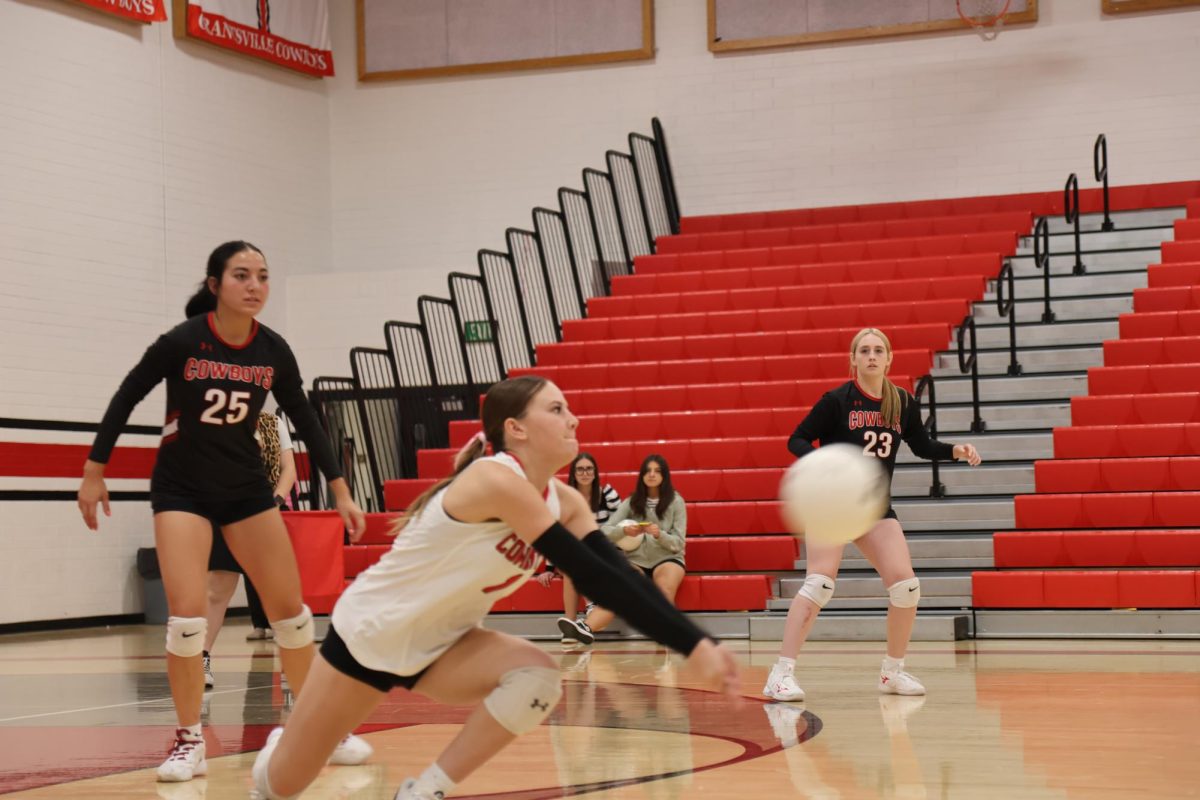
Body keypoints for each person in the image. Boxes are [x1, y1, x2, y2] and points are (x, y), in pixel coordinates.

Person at [250, 376, 739, 800]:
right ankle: (281, 745)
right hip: (372, 634)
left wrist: (695, 642)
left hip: (446, 642)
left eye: (569, 408)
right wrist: (691, 643)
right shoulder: (494, 479)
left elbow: (616, 574)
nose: (573, 419)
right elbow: (593, 577)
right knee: (283, 785)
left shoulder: (566, 502)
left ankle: (424, 790)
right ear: (516, 428)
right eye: (556, 409)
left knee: (538, 677)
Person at [77, 241, 371, 783]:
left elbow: (305, 418)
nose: (255, 285)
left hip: (245, 491)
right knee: (187, 622)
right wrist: (95, 470)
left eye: (262, 276)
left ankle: (314, 727)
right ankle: (189, 741)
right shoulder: (182, 342)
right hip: (182, 490)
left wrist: (341, 488)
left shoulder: (274, 351)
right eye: (241, 275)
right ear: (215, 285)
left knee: (292, 615)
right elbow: (126, 394)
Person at [763, 328, 982, 702]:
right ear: (853, 359)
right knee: (820, 583)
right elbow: (797, 439)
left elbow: (922, 445)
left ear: (889, 358)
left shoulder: (901, 402)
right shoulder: (836, 401)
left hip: (874, 507)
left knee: (906, 587)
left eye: (878, 350)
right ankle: (780, 674)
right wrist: (824, 466)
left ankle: (892, 673)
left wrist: (955, 451)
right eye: (864, 350)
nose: (871, 356)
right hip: (832, 504)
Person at [202, 410, 296, 689]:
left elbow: (288, 468)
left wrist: (275, 500)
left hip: (265, 514)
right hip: (227, 512)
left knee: (277, 593)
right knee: (218, 589)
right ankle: (202, 659)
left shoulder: (272, 422)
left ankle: (291, 665)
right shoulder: (217, 418)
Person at [558, 454, 688, 645]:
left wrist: (659, 534)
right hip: (637, 560)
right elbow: (606, 530)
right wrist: (623, 531)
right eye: (648, 471)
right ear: (642, 475)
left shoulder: (676, 501)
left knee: (664, 586)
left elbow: (678, 543)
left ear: (664, 476)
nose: (652, 475)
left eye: (657, 471)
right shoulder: (632, 501)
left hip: (667, 558)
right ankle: (585, 628)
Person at [542, 452, 619, 644]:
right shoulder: (564, 499)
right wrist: (549, 568)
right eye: (580, 469)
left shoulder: (607, 494)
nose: (585, 473)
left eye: (589, 468)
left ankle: (575, 621)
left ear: (595, 472)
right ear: (573, 473)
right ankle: (573, 621)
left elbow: (620, 526)